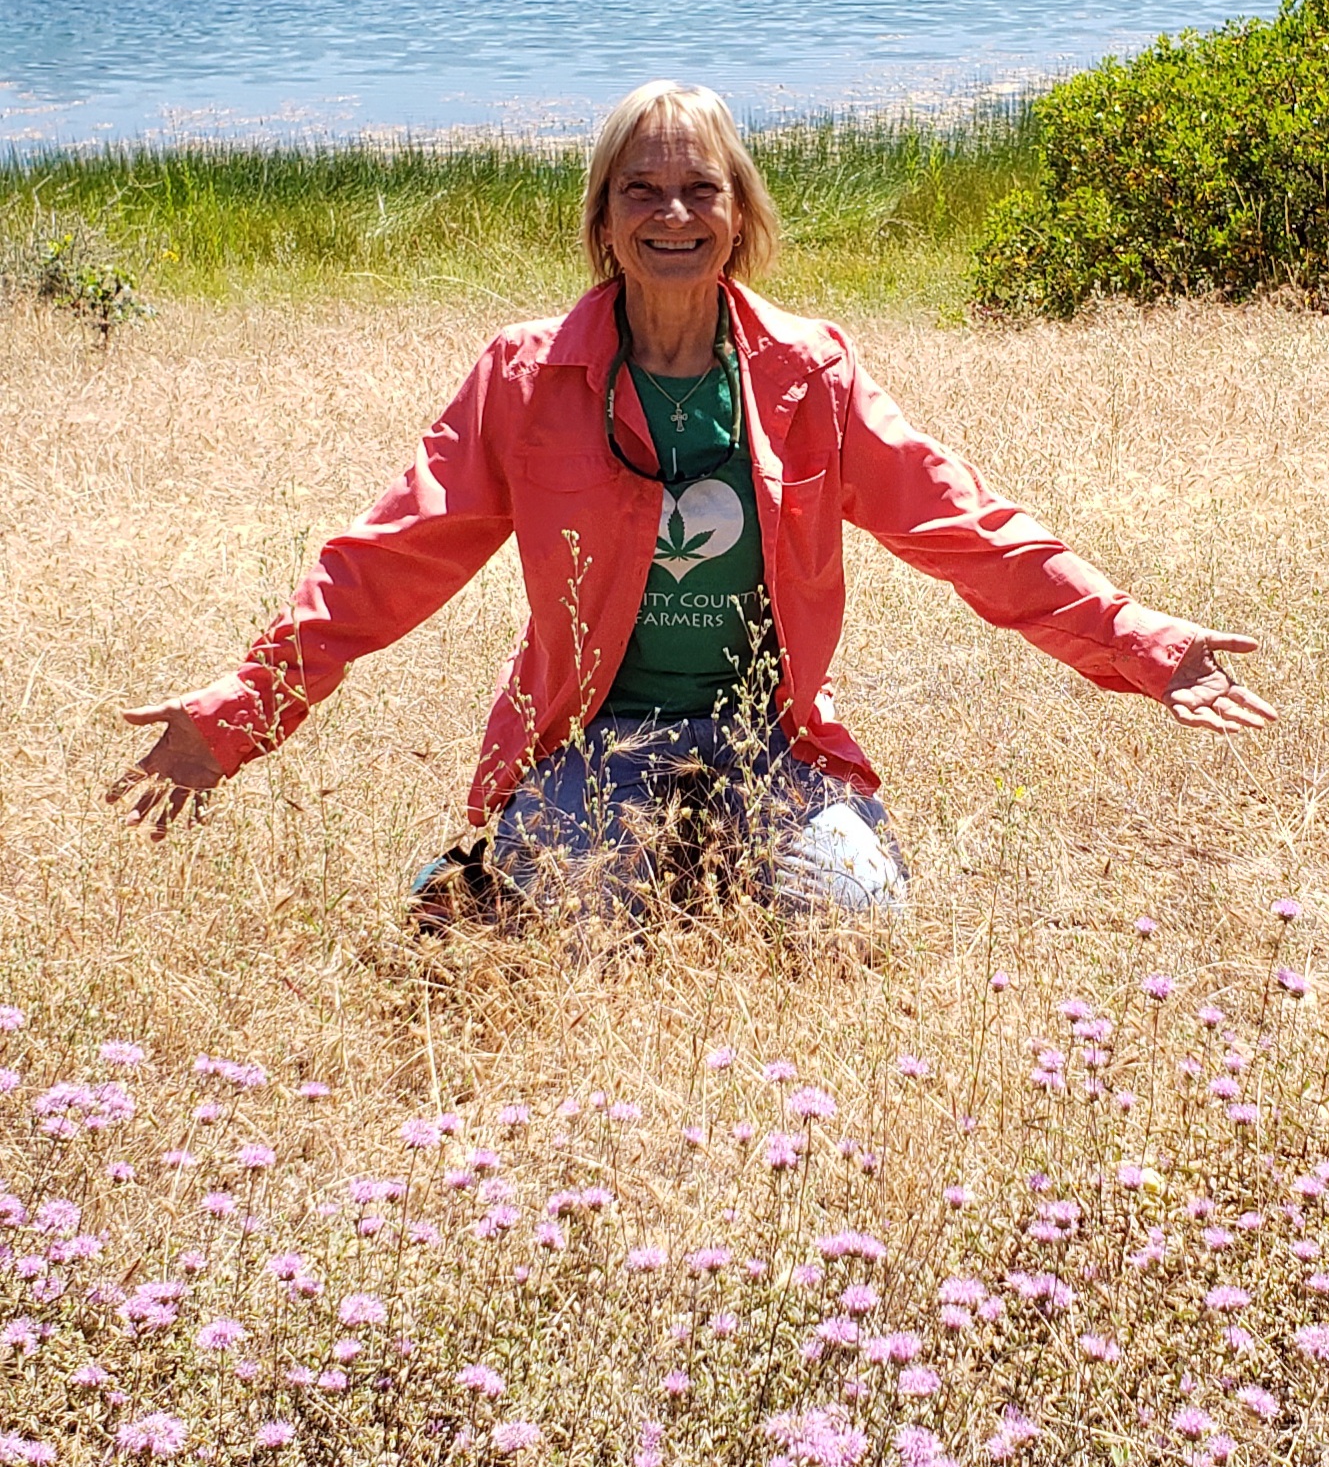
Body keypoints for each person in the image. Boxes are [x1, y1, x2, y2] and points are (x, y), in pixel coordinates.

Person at [107, 81, 1277, 925]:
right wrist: (241, 710)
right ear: (602, 219)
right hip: (589, 736)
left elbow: (965, 524)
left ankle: (710, 847)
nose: (674, 213)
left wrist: (1144, 642)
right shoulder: (525, 376)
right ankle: (487, 874)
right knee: (576, 927)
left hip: (771, 739)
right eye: (642, 190)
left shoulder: (810, 374)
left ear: (740, 214)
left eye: (700, 188)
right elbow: (389, 556)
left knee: (858, 922)